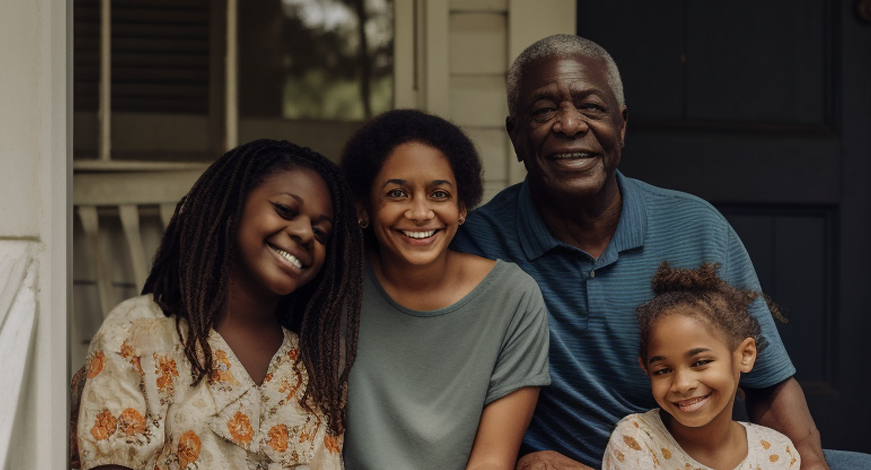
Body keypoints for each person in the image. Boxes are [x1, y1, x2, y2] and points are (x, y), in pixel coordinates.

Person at [450, 34, 871, 470]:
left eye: (591, 107)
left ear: (621, 125)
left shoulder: (696, 226)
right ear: (515, 135)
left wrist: (811, 464)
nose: (569, 125)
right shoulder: (479, 244)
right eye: (544, 110)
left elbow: (769, 380)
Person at [72, 139, 364, 470]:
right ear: (231, 211)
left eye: (321, 232)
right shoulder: (139, 333)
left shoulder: (314, 369)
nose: (304, 234)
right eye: (285, 210)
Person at [339, 109, 551, 470]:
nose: (421, 213)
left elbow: (491, 460)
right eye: (397, 193)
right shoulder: (337, 289)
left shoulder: (512, 298)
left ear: (462, 207)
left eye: (439, 194)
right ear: (363, 207)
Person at [603, 262, 799, 470]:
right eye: (663, 370)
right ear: (647, 370)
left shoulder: (777, 452)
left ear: (745, 355)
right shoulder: (637, 439)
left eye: (701, 362)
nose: (682, 384)